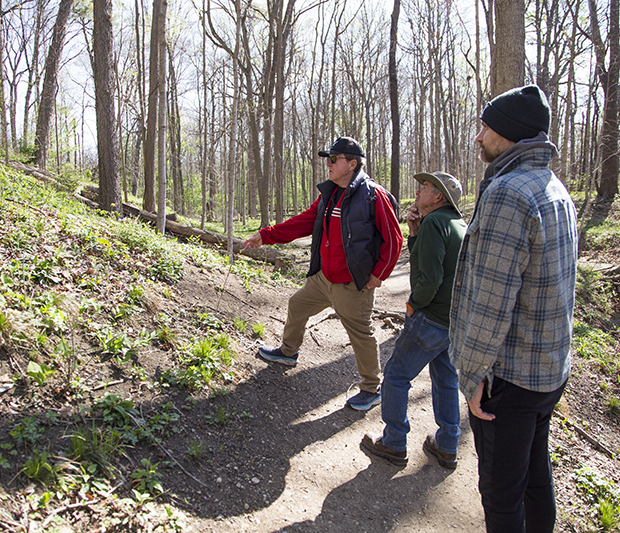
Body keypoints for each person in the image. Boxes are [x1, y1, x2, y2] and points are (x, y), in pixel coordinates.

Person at [449, 85, 578, 533]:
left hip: (509, 375)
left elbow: (490, 298)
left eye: (484, 127)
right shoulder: (554, 188)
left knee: (501, 496)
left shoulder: (508, 193)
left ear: (506, 133)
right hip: (548, 372)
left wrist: (471, 374)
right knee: (534, 481)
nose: (478, 136)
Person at [243, 136, 403, 411]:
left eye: (333, 159)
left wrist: (379, 274)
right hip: (324, 278)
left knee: (360, 334)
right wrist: (266, 236)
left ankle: (372, 387)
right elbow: (304, 222)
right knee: (297, 304)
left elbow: (394, 238)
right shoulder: (331, 194)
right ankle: (288, 352)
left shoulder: (372, 195)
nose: (327, 164)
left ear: (352, 164)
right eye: (327, 159)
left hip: (353, 283)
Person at [361, 171, 466, 467]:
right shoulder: (456, 224)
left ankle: (394, 442)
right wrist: (415, 233)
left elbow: (428, 278)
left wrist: (412, 305)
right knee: (446, 379)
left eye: (426, 187)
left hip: (429, 317)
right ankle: (447, 445)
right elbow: (430, 264)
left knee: (396, 375)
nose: (419, 191)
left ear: (439, 197)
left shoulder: (435, 222)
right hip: (451, 320)